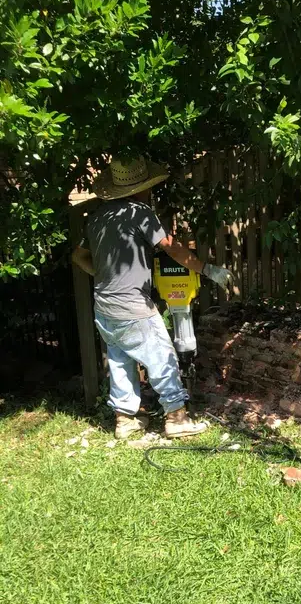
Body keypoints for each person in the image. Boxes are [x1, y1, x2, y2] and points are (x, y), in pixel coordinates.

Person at [72, 156, 233, 440]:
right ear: (141, 188)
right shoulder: (140, 213)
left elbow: (78, 256)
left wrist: (102, 273)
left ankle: (125, 420)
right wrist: (207, 269)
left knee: (121, 360)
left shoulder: (98, 217)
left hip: (105, 305)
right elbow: (171, 248)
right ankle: (176, 417)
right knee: (161, 356)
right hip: (132, 305)